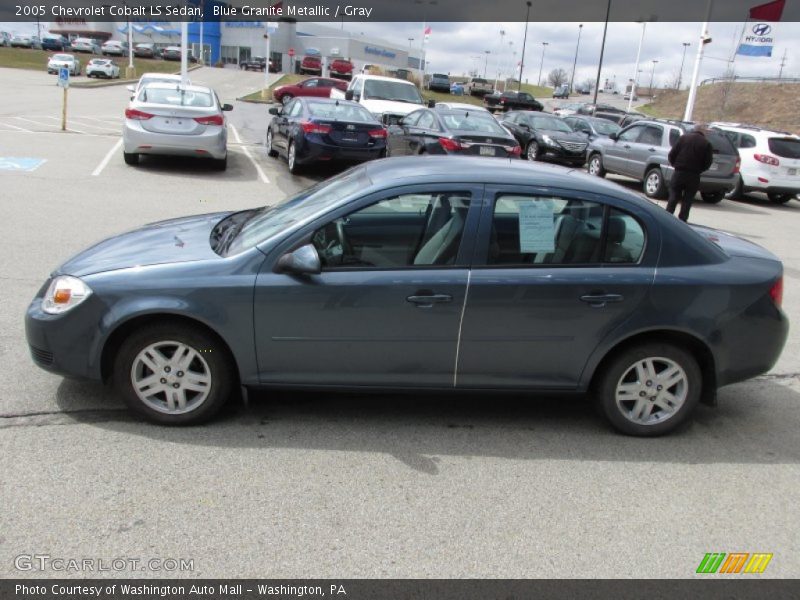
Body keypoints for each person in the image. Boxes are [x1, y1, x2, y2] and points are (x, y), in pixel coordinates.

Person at [666, 124, 714, 222]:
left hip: (679, 172)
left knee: (673, 195)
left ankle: (667, 217)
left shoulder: (683, 138)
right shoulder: (706, 143)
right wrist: (700, 169)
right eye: (706, 130)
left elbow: (672, 154)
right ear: (702, 131)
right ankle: (682, 219)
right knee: (688, 199)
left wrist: (675, 165)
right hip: (694, 175)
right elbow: (708, 162)